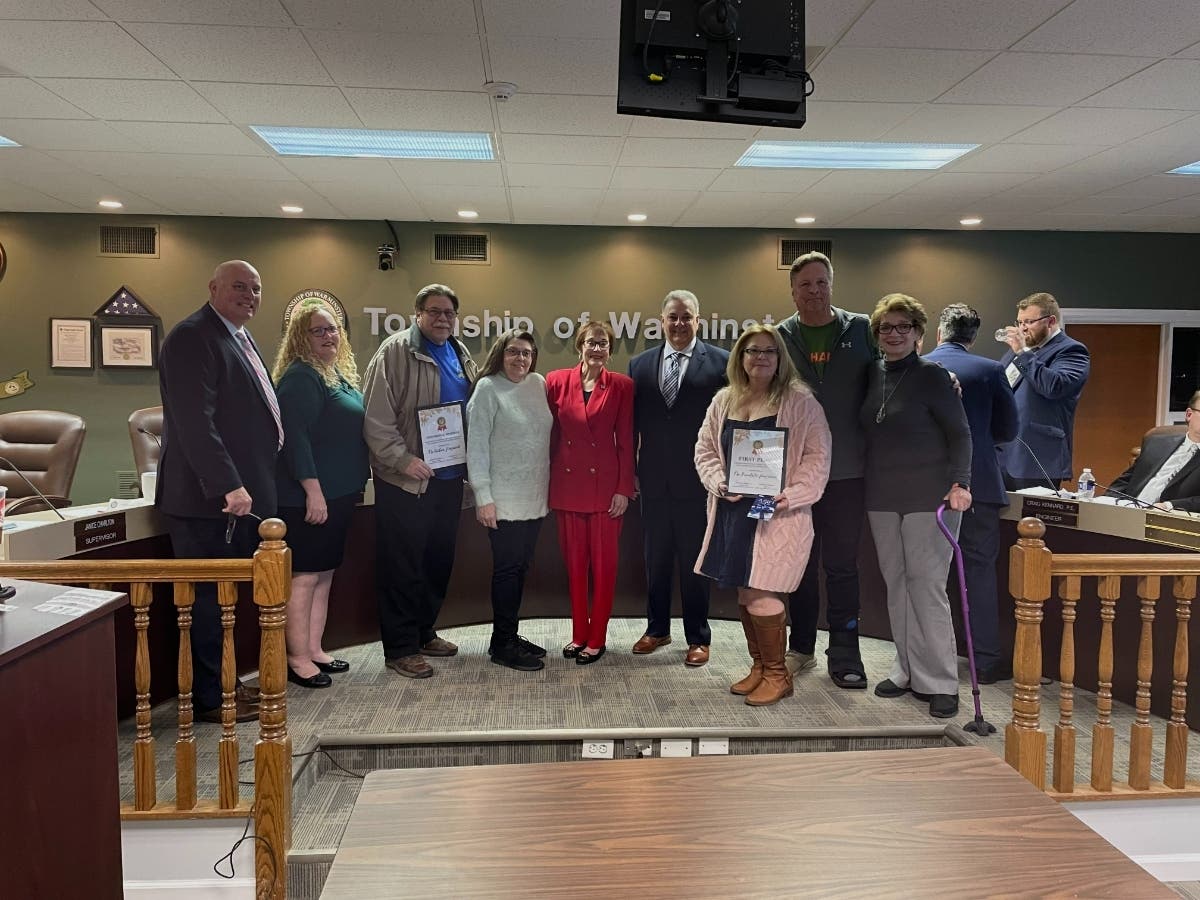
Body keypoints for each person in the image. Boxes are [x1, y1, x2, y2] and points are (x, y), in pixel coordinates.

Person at [157, 260, 280, 722]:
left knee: (227, 601)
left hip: (237, 502)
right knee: (207, 603)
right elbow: (194, 421)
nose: (249, 294)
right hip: (208, 503)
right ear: (212, 288)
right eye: (238, 287)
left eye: (256, 288)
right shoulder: (193, 336)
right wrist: (228, 482)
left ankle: (227, 683)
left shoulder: (237, 336)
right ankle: (210, 698)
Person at [694, 325, 832, 706]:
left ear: (781, 358)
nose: (761, 358)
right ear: (740, 357)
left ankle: (777, 673)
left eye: (770, 351)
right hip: (731, 512)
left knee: (762, 590)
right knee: (743, 588)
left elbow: (817, 460)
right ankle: (760, 666)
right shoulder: (724, 400)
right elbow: (705, 450)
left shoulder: (801, 402)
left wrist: (788, 498)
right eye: (753, 351)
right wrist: (720, 482)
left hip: (776, 516)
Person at [862, 295, 973, 719]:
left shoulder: (935, 377)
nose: (893, 334)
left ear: (919, 334)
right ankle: (906, 670)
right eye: (885, 328)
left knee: (927, 587)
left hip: (931, 496)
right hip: (882, 497)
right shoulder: (870, 374)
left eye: (902, 326)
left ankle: (940, 680)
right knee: (898, 585)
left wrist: (962, 482)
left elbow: (961, 434)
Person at [362, 284, 479, 679]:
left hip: (448, 480)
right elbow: (376, 418)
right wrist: (402, 459)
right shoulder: (395, 352)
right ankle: (400, 647)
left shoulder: (460, 352)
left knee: (437, 560)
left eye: (449, 312)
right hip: (407, 481)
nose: (442, 318)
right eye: (434, 311)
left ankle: (424, 631)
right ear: (417, 313)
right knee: (402, 565)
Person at [777, 251, 876, 690]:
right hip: (795, 475)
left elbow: (894, 373)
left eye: (821, 283)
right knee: (798, 565)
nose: (814, 291)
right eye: (805, 285)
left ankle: (845, 653)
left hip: (847, 472)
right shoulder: (780, 336)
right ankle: (800, 648)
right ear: (793, 291)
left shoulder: (862, 330)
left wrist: (941, 376)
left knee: (841, 566)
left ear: (831, 285)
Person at [627, 290, 729, 667]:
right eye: (673, 317)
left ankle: (698, 636)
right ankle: (657, 629)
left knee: (694, 560)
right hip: (652, 481)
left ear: (698, 320)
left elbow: (728, 424)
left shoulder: (721, 363)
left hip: (698, 482)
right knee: (655, 558)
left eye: (687, 317)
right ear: (662, 320)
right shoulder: (639, 364)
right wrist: (630, 474)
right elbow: (631, 426)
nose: (679, 324)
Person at [271, 300, 369, 689]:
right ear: (300, 337)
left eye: (332, 330)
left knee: (323, 574)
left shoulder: (334, 375)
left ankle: (314, 648)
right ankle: (296, 658)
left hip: (338, 495)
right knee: (304, 578)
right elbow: (295, 441)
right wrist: (312, 490)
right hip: (308, 499)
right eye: (318, 330)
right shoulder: (300, 377)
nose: (329, 336)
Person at [925, 303, 1019, 684]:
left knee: (928, 574)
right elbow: (1009, 430)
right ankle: (984, 659)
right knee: (978, 570)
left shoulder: (919, 368)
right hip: (978, 484)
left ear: (937, 333)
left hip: (926, 486)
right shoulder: (991, 370)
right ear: (973, 337)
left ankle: (932, 656)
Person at [546, 321, 635, 665]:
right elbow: (550, 435)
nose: (597, 348)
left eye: (603, 343)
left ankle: (596, 638)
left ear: (610, 350)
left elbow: (626, 441)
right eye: (591, 342)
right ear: (579, 346)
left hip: (604, 491)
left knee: (604, 568)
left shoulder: (622, 386)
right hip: (567, 487)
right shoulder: (555, 381)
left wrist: (623, 489)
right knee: (575, 567)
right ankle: (578, 634)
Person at [466, 329, 553, 672]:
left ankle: (508, 633)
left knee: (520, 569)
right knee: (507, 571)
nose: (521, 359)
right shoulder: (487, 389)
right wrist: (482, 496)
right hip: (502, 500)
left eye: (527, 353)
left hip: (534, 498)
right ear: (501, 354)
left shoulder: (538, 384)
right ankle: (502, 644)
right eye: (514, 352)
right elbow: (476, 447)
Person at [997, 292, 1091, 490]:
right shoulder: (1017, 352)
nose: (1022, 328)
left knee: (1033, 520)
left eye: (1029, 322)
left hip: (1037, 458)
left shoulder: (1071, 350)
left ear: (1050, 321)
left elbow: (1054, 387)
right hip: (1003, 455)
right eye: (1020, 322)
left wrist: (1023, 353)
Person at [1106, 390, 1200, 511]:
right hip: (1128, 511)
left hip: (1166, 521)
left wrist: (1169, 505)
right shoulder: (1156, 443)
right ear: (1189, 415)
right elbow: (1125, 481)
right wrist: (1107, 503)